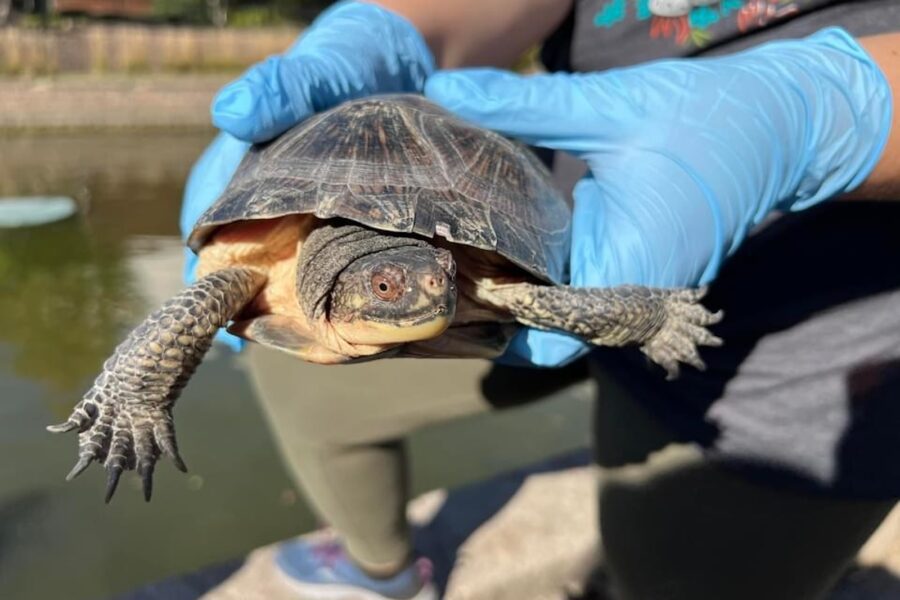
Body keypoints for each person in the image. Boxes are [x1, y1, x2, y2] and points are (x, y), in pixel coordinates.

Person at [180, 1, 900, 598]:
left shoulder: (461, 278)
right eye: (393, 286)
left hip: (821, 336)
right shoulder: (278, 266)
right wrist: (402, 25)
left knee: (668, 570)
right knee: (300, 391)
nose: (431, 289)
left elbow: (503, 289)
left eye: (433, 276)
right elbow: (205, 298)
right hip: (579, 209)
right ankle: (379, 568)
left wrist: (821, 112)